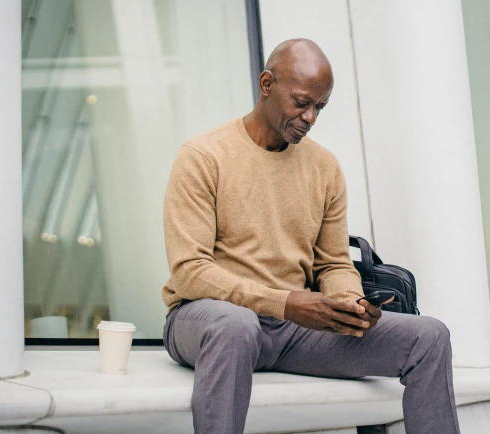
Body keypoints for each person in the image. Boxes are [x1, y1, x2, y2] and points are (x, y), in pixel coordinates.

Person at [161, 38, 461, 434]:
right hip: (206, 320)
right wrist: (284, 302)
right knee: (236, 326)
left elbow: (334, 262)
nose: (310, 117)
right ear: (267, 84)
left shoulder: (324, 167)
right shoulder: (203, 156)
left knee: (430, 336)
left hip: (293, 330)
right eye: (302, 102)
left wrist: (350, 304)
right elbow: (190, 271)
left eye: (320, 107)